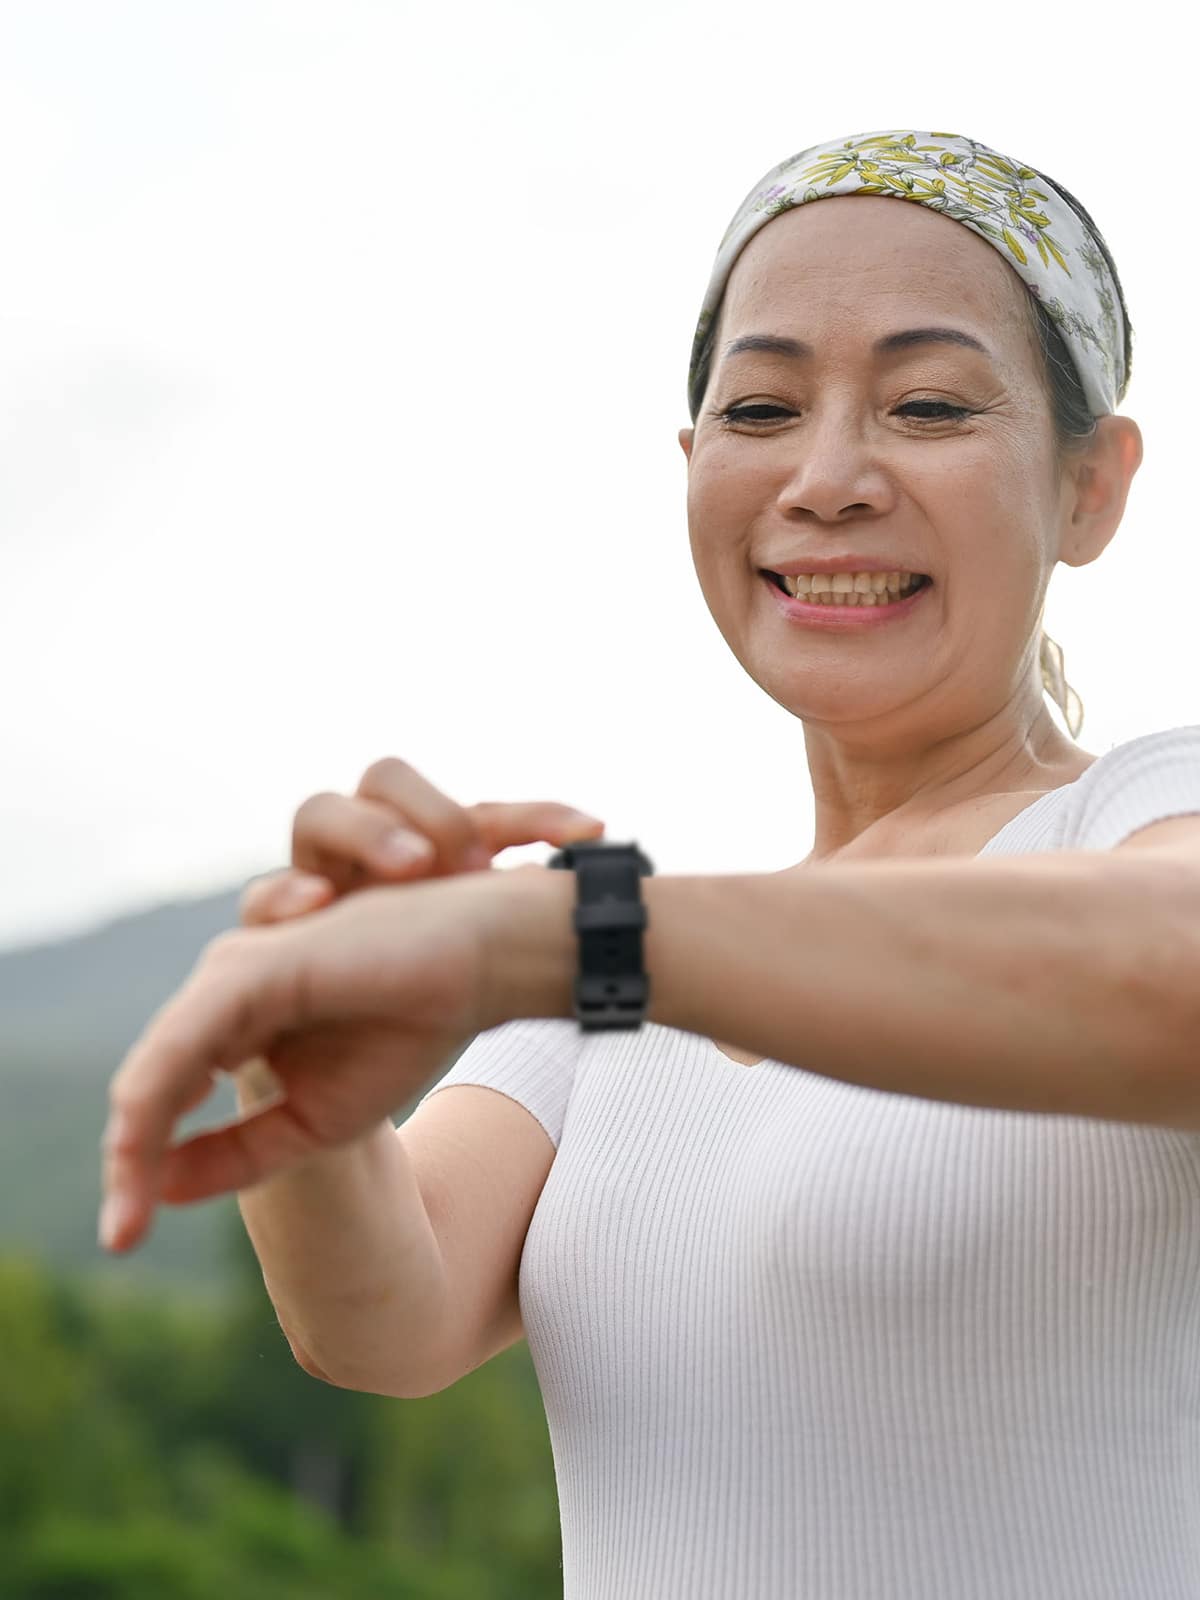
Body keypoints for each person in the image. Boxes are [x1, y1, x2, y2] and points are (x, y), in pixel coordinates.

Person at [101, 128, 1200, 1597]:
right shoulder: (614, 965)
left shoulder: (1141, 817)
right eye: (761, 408)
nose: (827, 477)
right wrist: (307, 1080)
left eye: (928, 405)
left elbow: (1165, 972)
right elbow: (381, 1321)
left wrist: (569, 943)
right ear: (694, 469)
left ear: (1092, 486)